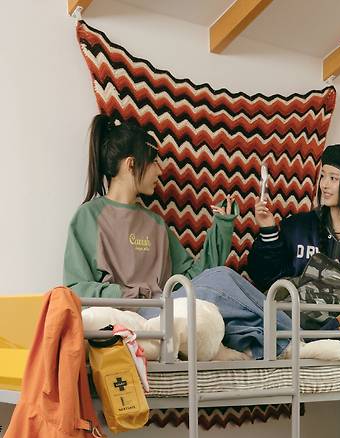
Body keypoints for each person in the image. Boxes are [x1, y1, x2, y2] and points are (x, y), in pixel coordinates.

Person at [64, 113, 291, 356]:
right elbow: (75, 288)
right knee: (221, 279)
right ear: (131, 164)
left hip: (168, 305)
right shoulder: (89, 217)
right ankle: (294, 333)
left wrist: (223, 226)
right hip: (137, 314)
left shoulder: (154, 222)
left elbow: (194, 279)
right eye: (154, 162)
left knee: (221, 291)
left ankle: (275, 346)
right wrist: (129, 294)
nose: (160, 171)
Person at [247, 143, 340, 330]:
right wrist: (268, 231)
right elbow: (265, 278)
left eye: (333, 178)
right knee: (223, 277)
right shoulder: (298, 227)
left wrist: (339, 277)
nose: (324, 184)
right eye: (323, 176)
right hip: (289, 320)